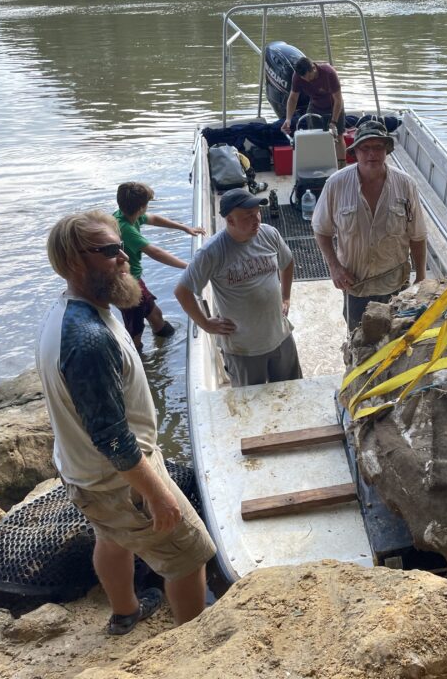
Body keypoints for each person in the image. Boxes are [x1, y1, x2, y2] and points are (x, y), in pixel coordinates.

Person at [36, 210, 216, 636]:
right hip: (119, 481)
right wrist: (157, 494)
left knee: (111, 538)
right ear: (76, 262)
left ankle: (125, 612)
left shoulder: (72, 311)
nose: (124, 256)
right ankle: (198, 646)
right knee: (189, 556)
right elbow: (113, 439)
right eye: (111, 250)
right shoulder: (90, 340)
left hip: (82, 475)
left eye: (121, 245)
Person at [174, 188, 302, 387]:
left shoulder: (269, 234)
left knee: (292, 392)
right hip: (244, 349)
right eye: (248, 216)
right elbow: (182, 291)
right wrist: (205, 324)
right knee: (250, 407)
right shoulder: (212, 252)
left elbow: (287, 262)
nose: (257, 219)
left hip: (280, 336)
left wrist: (286, 297)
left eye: (257, 212)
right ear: (230, 221)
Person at [312, 120, 427, 331]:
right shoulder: (335, 184)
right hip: (356, 287)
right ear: (355, 152)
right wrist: (334, 267)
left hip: (396, 285)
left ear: (387, 151)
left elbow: (418, 235)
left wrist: (420, 278)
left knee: (396, 343)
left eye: (378, 148)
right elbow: (321, 229)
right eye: (365, 148)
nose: (371, 154)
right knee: (360, 343)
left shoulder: (406, 184)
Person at [114, 181, 206, 350]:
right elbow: (155, 252)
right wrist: (189, 266)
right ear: (142, 207)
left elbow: (154, 219)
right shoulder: (125, 228)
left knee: (156, 316)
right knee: (135, 332)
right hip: (126, 283)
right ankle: (136, 364)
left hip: (134, 280)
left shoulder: (124, 214)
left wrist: (185, 228)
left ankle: (164, 357)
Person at [280, 55, 347, 163]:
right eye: (304, 79)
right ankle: (322, 165)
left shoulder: (329, 73)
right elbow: (293, 98)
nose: (308, 81)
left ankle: (341, 166)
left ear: (314, 68)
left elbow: (338, 100)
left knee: (338, 137)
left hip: (334, 105)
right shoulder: (297, 76)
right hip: (315, 106)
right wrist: (288, 119)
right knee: (316, 137)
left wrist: (333, 122)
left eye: (310, 77)